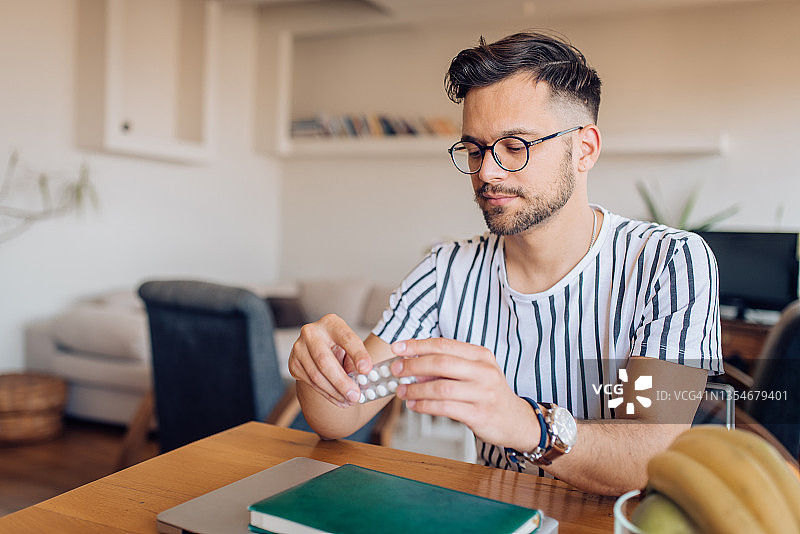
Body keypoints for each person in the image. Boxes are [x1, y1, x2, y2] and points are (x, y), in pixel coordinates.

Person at [288, 31, 721, 496]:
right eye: (475, 150)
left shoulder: (665, 262)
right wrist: (319, 372)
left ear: (584, 149)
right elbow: (343, 412)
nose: (488, 172)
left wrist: (523, 422)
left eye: (515, 146)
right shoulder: (445, 273)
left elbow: (649, 455)